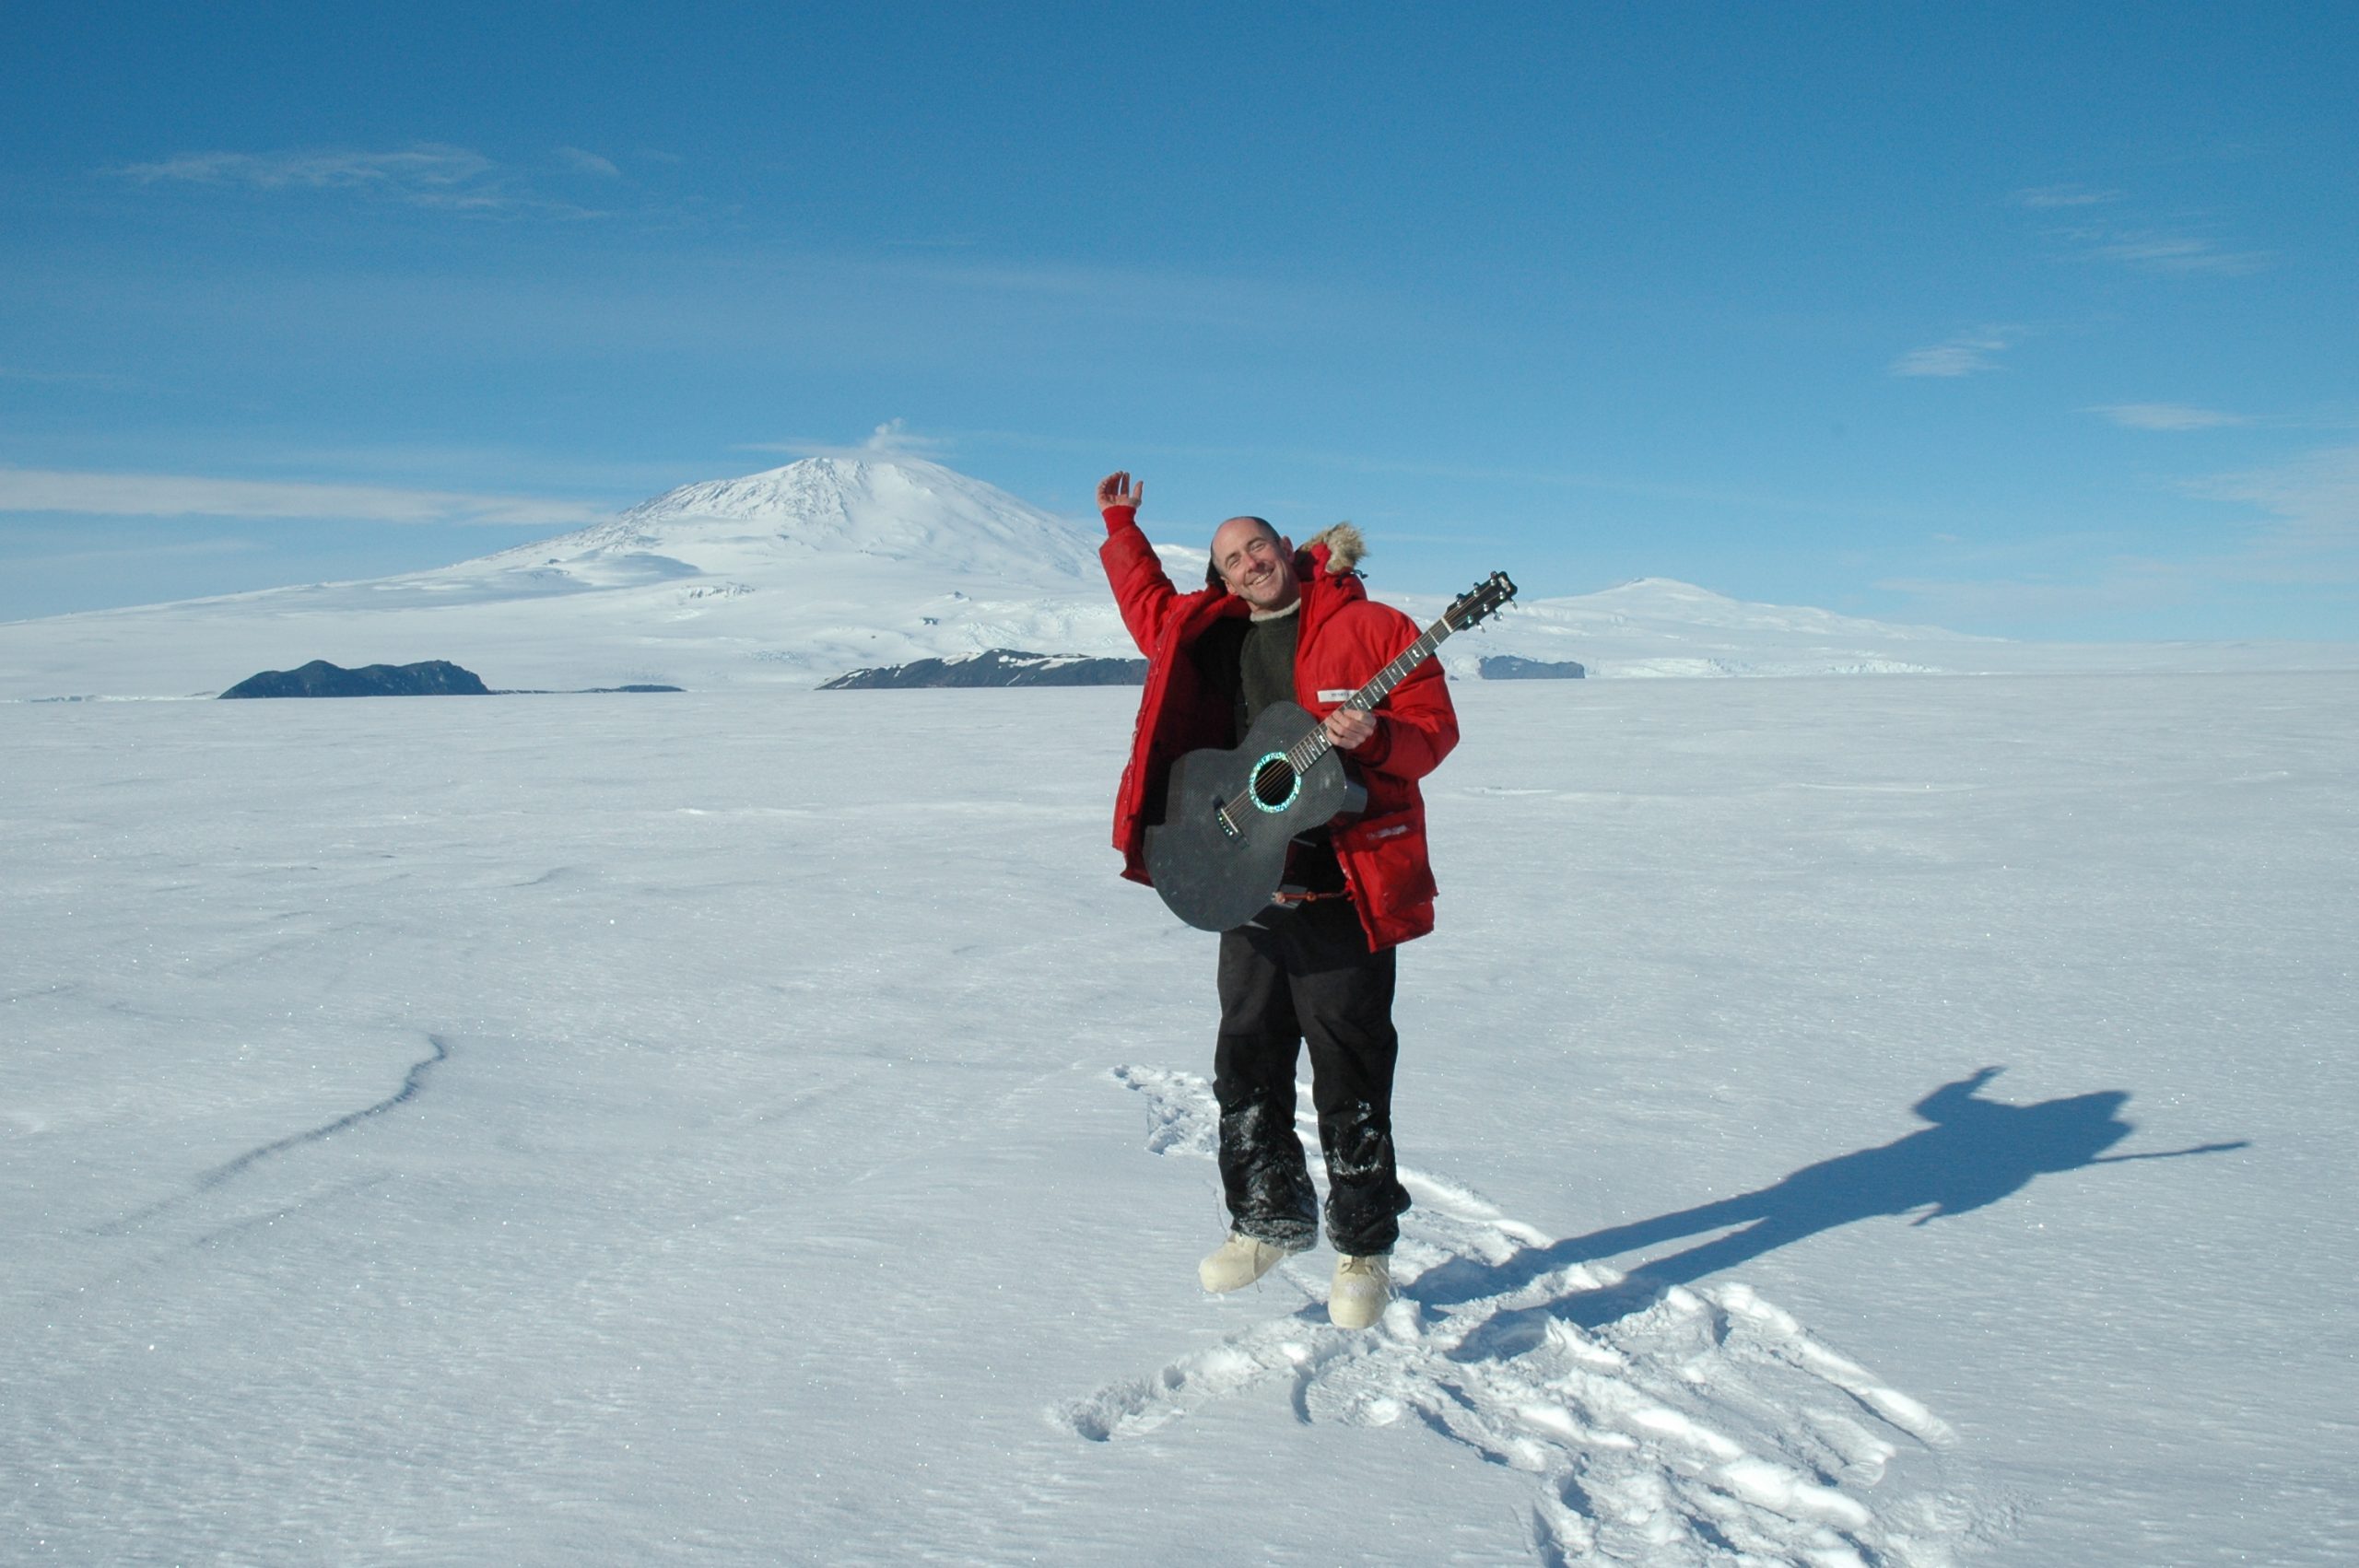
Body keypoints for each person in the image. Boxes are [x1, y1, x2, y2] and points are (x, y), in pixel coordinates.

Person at [1095, 469, 1460, 1328]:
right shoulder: (1211, 629)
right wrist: (1121, 529)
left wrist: (1381, 737)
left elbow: (1435, 730)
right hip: (1247, 880)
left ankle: (1363, 1249)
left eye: (1257, 545)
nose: (1249, 564)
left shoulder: (1372, 628)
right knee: (1246, 1058)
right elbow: (1148, 606)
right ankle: (1268, 1217)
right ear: (1219, 578)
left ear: (1286, 548)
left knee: (1350, 1064)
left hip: (1346, 886)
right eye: (1230, 558)